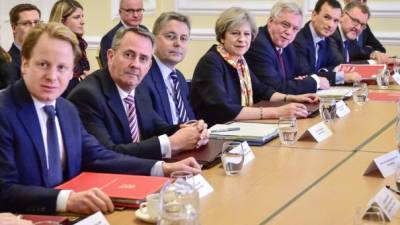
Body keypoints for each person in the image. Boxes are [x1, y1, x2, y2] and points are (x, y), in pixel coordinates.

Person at [0, 22, 201, 215]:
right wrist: (66, 199)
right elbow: (4, 190)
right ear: (25, 64)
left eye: (62, 67)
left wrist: (163, 168)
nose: (52, 76)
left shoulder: (65, 109)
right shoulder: (4, 111)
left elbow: (99, 156)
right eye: (43, 64)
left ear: (71, 72)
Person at [68, 26, 208, 159]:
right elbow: (106, 154)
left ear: (149, 66)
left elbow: (156, 128)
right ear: (111, 56)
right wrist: (171, 143)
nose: (135, 65)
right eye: (129, 55)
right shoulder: (87, 96)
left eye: (143, 59)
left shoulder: (138, 87)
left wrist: (190, 130)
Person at [190, 7, 318, 126]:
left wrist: (293, 98)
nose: (242, 39)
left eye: (247, 34)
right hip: (216, 134)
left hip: (239, 127)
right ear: (222, 36)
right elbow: (224, 109)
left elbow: (262, 91)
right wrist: (277, 112)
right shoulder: (211, 62)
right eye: (235, 33)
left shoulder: (240, 60)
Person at [245, 2, 330, 95]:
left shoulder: (287, 44)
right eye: (285, 25)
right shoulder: (259, 44)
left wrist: (301, 81)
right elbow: (276, 88)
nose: (289, 32)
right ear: (270, 21)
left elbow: (303, 72)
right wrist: (315, 82)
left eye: (295, 29)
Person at [141, 12, 196, 125]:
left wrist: (198, 128)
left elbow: (190, 119)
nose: (178, 43)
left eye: (183, 38)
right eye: (170, 37)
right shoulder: (144, 74)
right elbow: (151, 126)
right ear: (154, 39)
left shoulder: (179, 78)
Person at [293, 0, 361, 85]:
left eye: (335, 20)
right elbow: (307, 75)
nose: (331, 25)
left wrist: (325, 71)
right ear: (314, 15)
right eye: (327, 17)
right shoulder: (299, 41)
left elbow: (336, 64)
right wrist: (341, 77)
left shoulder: (327, 38)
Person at [49, 0, 90, 96]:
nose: (82, 22)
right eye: (76, 17)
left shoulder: (79, 43)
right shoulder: (54, 47)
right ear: (62, 21)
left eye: (82, 16)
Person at [99, 0, 148, 67]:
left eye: (139, 10)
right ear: (120, 12)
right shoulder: (109, 38)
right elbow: (109, 70)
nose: (135, 15)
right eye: (130, 11)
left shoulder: (146, 31)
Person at [8, 3, 41, 84]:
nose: (34, 28)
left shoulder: (47, 55)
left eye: (36, 22)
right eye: (26, 23)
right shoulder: (8, 63)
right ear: (14, 28)